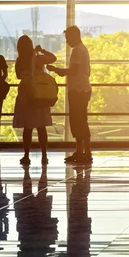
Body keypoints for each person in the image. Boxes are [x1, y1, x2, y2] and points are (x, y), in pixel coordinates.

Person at [48, 26, 92, 164]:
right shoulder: (83, 49)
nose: (66, 41)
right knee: (81, 121)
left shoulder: (77, 51)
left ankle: (84, 152)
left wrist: (57, 70)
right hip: (83, 88)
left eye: (67, 38)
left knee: (78, 121)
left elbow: (74, 71)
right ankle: (82, 151)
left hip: (78, 90)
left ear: (74, 36)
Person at [13, 35, 57, 166]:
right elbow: (53, 58)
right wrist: (41, 50)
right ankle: (44, 155)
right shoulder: (38, 58)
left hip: (26, 94)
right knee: (41, 126)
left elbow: (18, 75)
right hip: (39, 93)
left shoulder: (20, 60)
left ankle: (26, 155)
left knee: (28, 127)